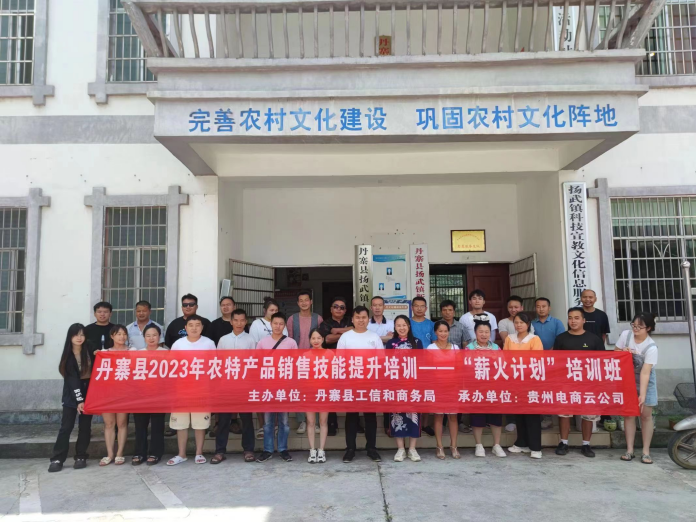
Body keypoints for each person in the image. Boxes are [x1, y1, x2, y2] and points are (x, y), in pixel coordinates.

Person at [553, 307, 606, 458]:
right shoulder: (561, 338)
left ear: (583, 320)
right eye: (570, 318)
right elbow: (555, 362)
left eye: (576, 318)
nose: (573, 321)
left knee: (588, 414)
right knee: (564, 413)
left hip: (588, 383)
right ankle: (563, 442)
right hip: (566, 382)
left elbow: (601, 362)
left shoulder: (594, 339)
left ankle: (586, 444)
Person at [167, 315, 216, 466]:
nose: (194, 328)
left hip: (202, 389)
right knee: (180, 424)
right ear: (185, 328)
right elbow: (171, 366)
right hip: (181, 389)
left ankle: (199, 453)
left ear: (202, 327)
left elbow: (214, 366)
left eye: (197, 325)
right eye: (191, 325)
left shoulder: (209, 343)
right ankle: (181, 454)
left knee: (200, 424)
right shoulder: (178, 344)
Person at [337, 306, 384, 463]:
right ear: (352, 319)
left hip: (370, 383)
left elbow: (381, 361)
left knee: (370, 417)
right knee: (351, 417)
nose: (361, 320)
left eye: (363, 317)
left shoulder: (374, 337)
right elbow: (340, 361)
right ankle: (350, 449)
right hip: (351, 383)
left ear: (368, 319)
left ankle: (372, 449)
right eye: (357, 317)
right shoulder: (345, 337)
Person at [212, 309, 257, 464]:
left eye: (242, 320)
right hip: (227, 386)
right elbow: (218, 362)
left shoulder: (250, 340)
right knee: (224, 420)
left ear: (246, 322)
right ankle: (220, 451)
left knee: (246, 420)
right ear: (231, 321)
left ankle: (248, 450)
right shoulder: (223, 340)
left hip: (244, 385)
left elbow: (254, 363)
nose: (239, 323)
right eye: (236, 320)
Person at [48, 324, 93, 473]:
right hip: (71, 392)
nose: (79, 338)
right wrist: (79, 400)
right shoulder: (68, 356)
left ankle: (81, 456)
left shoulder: (89, 349)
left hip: (88, 391)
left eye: (82, 334)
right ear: (70, 337)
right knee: (66, 427)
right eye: (76, 335)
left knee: (85, 427)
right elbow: (72, 380)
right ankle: (57, 458)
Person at [615, 312, 658, 465]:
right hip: (627, 380)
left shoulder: (651, 347)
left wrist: (642, 394)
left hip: (646, 381)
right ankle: (629, 450)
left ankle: (646, 452)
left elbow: (645, 373)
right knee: (629, 415)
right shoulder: (626, 335)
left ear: (649, 328)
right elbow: (615, 353)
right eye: (634, 325)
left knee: (645, 416)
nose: (635, 328)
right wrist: (623, 352)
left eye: (640, 326)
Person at [255, 313, 297, 463]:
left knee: (284, 421)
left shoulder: (291, 342)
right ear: (271, 324)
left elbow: (295, 364)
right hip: (268, 387)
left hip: (284, 387)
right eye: (275, 323)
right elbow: (258, 364)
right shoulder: (262, 343)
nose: (278, 326)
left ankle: (283, 449)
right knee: (268, 422)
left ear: (284, 325)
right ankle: (267, 450)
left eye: (281, 324)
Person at [503, 312, 544, 459]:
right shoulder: (509, 338)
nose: (519, 325)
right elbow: (506, 358)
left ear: (528, 324)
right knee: (519, 412)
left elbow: (536, 360)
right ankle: (521, 443)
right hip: (515, 380)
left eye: (522, 322)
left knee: (532, 414)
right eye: (516, 322)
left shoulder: (534, 339)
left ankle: (535, 447)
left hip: (531, 381)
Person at [465, 320, 507, 458]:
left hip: (493, 388)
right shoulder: (469, 348)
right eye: (481, 332)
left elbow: (502, 366)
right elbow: (466, 368)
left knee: (496, 417)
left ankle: (496, 445)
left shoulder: (496, 348)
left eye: (487, 332)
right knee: (477, 417)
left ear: (491, 333)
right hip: (476, 388)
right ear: (475, 333)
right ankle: (479, 445)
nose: (484, 334)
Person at [385, 315, 423, 462]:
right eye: (398, 325)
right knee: (397, 415)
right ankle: (400, 449)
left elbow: (421, 363)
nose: (401, 328)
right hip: (396, 385)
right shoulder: (391, 343)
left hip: (413, 385)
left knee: (414, 415)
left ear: (409, 326)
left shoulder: (417, 342)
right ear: (395, 327)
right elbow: (388, 364)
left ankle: (412, 449)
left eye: (404, 325)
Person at [287, 290, 323, 434]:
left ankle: (316, 422)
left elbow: (320, 338)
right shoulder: (292, 319)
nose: (304, 303)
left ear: (311, 302)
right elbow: (289, 339)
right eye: (301, 300)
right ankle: (302, 421)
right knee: (300, 390)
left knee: (316, 390)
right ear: (297, 303)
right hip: (298, 360)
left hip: (315, 359)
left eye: (306, 300)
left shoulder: (318, 318)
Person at [131, 324, 167, 466]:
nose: (151, 338)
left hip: (159, 395)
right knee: (140, 426)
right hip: (141, 396)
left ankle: (155, 453)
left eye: (154, 335)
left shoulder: (166, 353)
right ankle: (139, 453)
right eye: (148, 335)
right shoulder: (138, 354)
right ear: (144, 337)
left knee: (157, 426)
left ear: (159, 336)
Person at [318, 296, 353, 435]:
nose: (339, 309)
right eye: (336, 307)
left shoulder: (350, 320)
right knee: (332, 392)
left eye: (342, 307)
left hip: (349, 362)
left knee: (350, 392)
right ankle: (332, 423)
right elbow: (327, 339)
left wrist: (337, 331)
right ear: (331, 309)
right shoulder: (325, 323)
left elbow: (356, 328)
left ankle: (354, 423)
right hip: (330, 362)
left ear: (345, 310)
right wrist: (346, 333)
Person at [530, 297, 566, 430]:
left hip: (552, 361)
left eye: (544, 306)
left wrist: (548, 353)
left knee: (549, 389)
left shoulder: (557, 322)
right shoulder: (531, 324)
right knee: (537, 388)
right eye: (538, 306)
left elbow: (561, 340)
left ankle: (548, 417)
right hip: (535, 361)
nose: (541, 309)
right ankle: (538, 416)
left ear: (549, 308)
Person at [427, 320, 460, 459]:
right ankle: (439, 446)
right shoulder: (431, 348)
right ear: (435, 332)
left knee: (453, 417)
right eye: (440, 331)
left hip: (453, 387)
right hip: (437, 387)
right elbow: (428, 369)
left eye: (445, 331)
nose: (443, 334)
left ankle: (454, 446)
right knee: (439, 416)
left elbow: (459, 368)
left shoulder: (455, 348)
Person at [99, 324, 130, 467]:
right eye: (118, 334)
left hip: (124, 393)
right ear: (112, 336)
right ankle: (110, 454)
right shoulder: (104, 352)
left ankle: (120, 453)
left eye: (124, 334)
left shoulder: (132, 351)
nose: (122, 337)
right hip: (107, 392)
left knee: (122, 423)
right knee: (109, 424)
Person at [305, 328, 330, 464]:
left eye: (319, 338)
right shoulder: (305, 355)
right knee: (310, 422)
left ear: (323, 339)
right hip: (310, 392)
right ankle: (312, 450)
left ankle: (321, 450)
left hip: (324, 392)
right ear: (310, 340)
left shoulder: (330, 354)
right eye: (313, 338)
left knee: (323, 421)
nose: (316, 341)